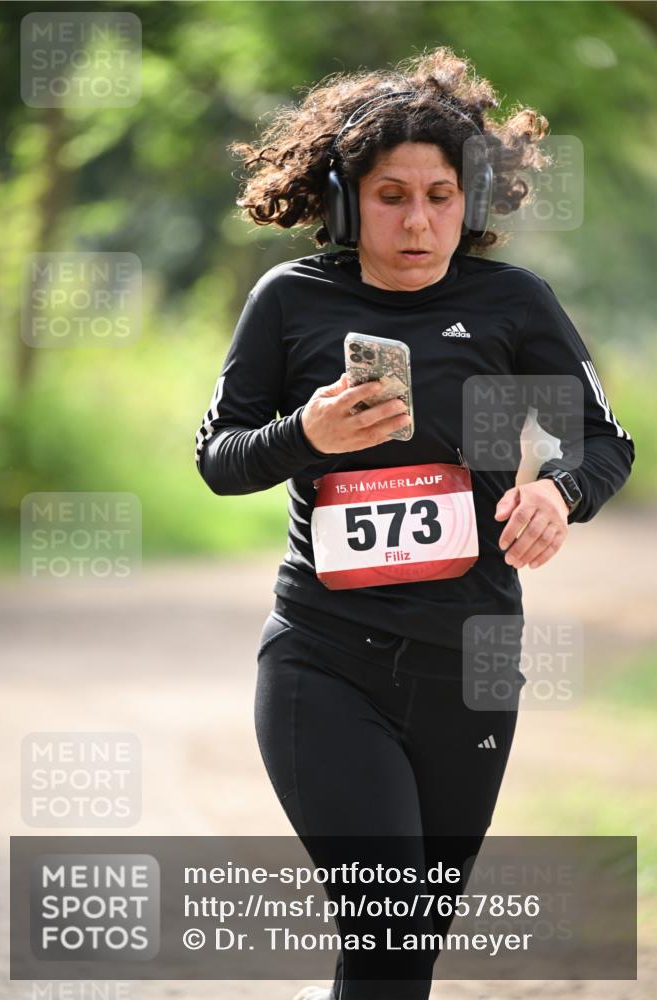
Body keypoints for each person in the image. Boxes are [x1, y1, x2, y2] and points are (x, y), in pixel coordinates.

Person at [194, 47, 634, 1000]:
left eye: (440, 194)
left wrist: (557, 493)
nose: (418, 220)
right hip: (323, 656)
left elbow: (599, 441)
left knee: (403, 950)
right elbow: (219, 458)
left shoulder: (510, 306)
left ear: (469, 201)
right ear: (346, 202)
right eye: (390, 195)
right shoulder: (292, 301)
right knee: (386, 920)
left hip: (468, 662)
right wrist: (301, 433)